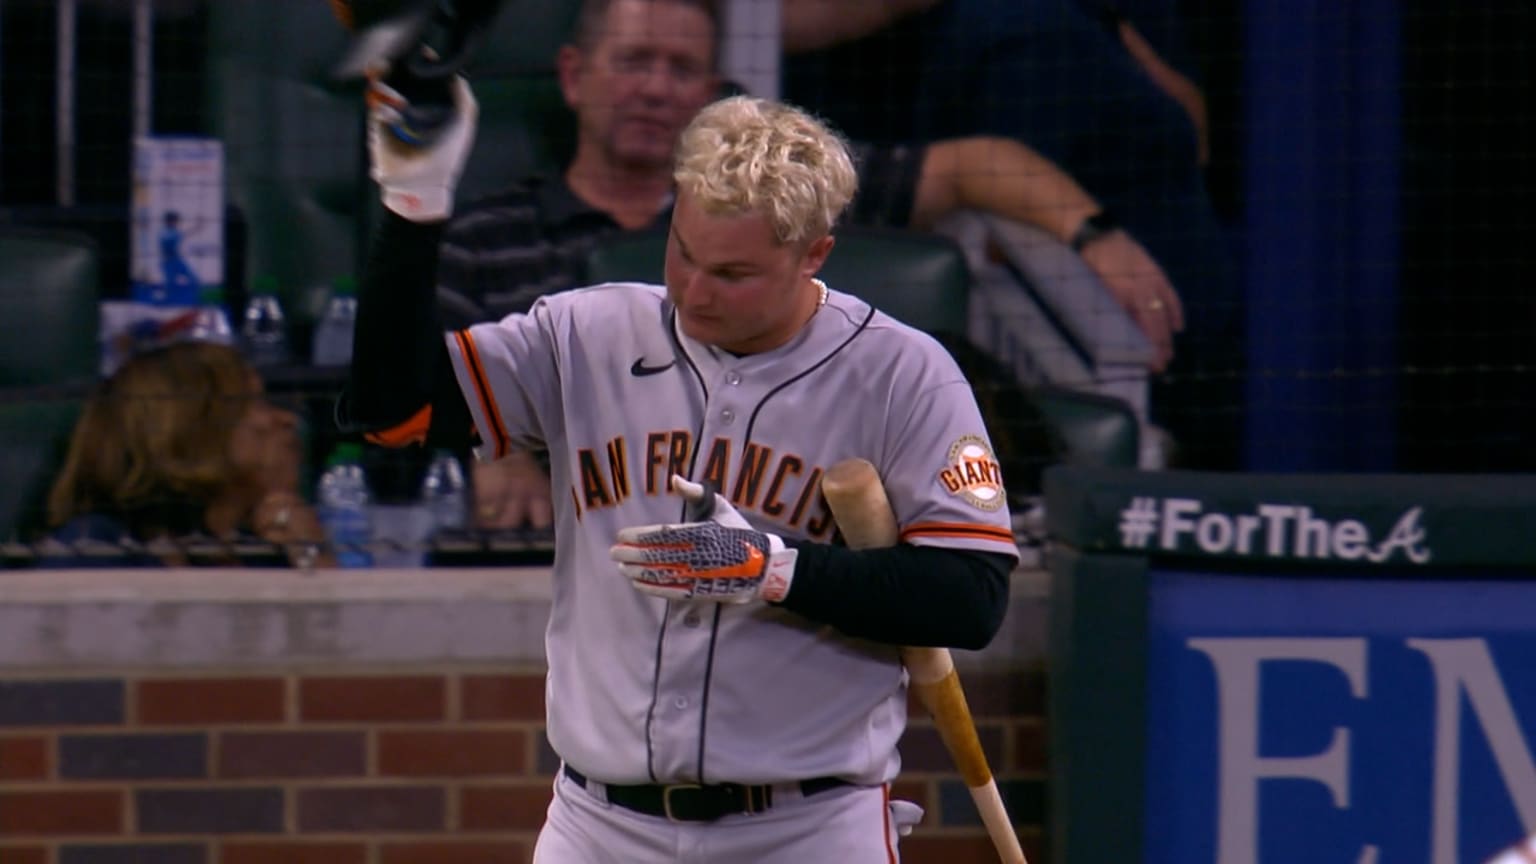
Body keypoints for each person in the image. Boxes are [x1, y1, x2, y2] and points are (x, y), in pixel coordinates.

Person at [348, 59, 1022, 859]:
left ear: (814, 253)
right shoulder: (583, 336)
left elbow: (971, 600)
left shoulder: (904, 375)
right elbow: (390, 413)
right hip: (598, 825)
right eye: (684, 252)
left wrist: (774, 572)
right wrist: (413, 210)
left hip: (804, 827)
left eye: (734, 273)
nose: (695, 291)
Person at [446, 0, 1178, 525]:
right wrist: (494, 449)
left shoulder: (777, 206)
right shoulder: (484, 238)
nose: (656, 87)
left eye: (681, 68)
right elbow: (427, 394)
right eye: (635, 61)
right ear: (574, 76)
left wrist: (1097, 237)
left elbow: (977, 166)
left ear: (708, 94)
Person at [783, 0, 1243, 469]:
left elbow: (1195, 131)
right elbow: (995, 221)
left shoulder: (1054, 27)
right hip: (1131, 345)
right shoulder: (1003, 35)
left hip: (1183, 342)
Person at [45, 341, 327, 568]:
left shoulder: (266, 547)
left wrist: (313, 554)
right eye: (255, 402)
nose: (288, 420)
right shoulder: (93, 550)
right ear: (192, 429)